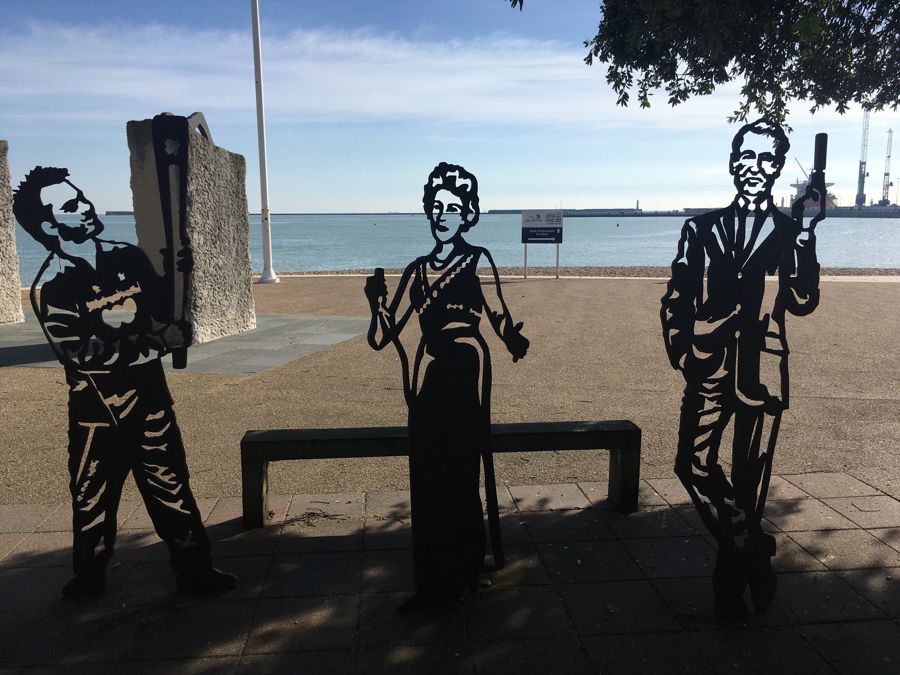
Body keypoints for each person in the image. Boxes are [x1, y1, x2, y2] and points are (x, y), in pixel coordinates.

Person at [13, 166, 236, 598]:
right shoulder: (53, 288)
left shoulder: (128, 258)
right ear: (48, 224)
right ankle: (89, 575)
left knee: (171, 486)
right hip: (97, 417)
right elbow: (83, 355)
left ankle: (194, 568)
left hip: (151, 403)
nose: (88, 206)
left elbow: (162, 312)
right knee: (92, 497)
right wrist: (156, 345)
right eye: (73, 205)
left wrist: (183, 282)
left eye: (83, 196)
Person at [660, 119, 822, 621]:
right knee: (691, 464)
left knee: (749, 484)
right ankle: (754, 550)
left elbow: (801, 300)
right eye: (747, 158)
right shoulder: (700, 227)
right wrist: (682, 350)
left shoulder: (790, 231)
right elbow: (678, 294)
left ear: (778, 168)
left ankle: (729, 593)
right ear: (733, 163)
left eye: (767, 160)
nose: (755, 169)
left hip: (760, 368)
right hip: (707, 362)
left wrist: (806, 236)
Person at [364, 162, 528, 603]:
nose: (441, 215)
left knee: (460, 472)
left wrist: (513, 336)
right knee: (426, 475)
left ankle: (466, 571)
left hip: (465, 371)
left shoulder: (477, 260)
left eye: (452, 208)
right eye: (435, 206)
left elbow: (497, 312)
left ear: (468, 214)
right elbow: (383, 336)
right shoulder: (417, 270)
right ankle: (432, 577)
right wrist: (376, 304)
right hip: (426, 375)